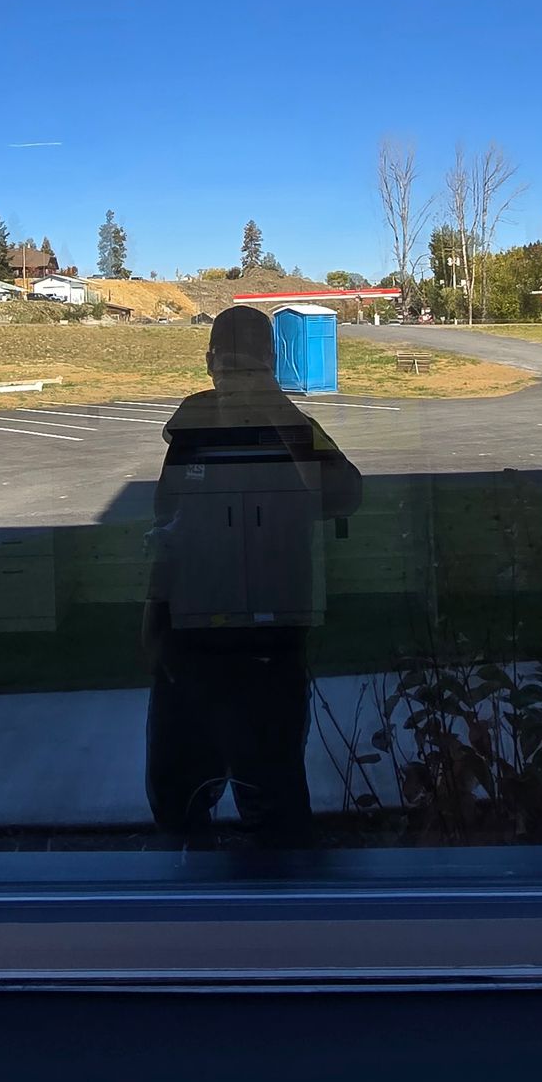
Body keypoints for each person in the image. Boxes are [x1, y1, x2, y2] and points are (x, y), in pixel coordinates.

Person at [143, 304, 361, 846]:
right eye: (230, 365)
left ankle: (277, 884)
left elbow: (345, 493)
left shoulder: (294, 426)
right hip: (194, 635)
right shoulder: (192, 427)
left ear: (270, 365)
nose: (237, 379)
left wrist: (278, 414)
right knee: (177, 792)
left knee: (272, 796)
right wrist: (156, 608)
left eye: (250, 366)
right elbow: (168, 522)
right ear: (210, 365)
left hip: (269, 636)